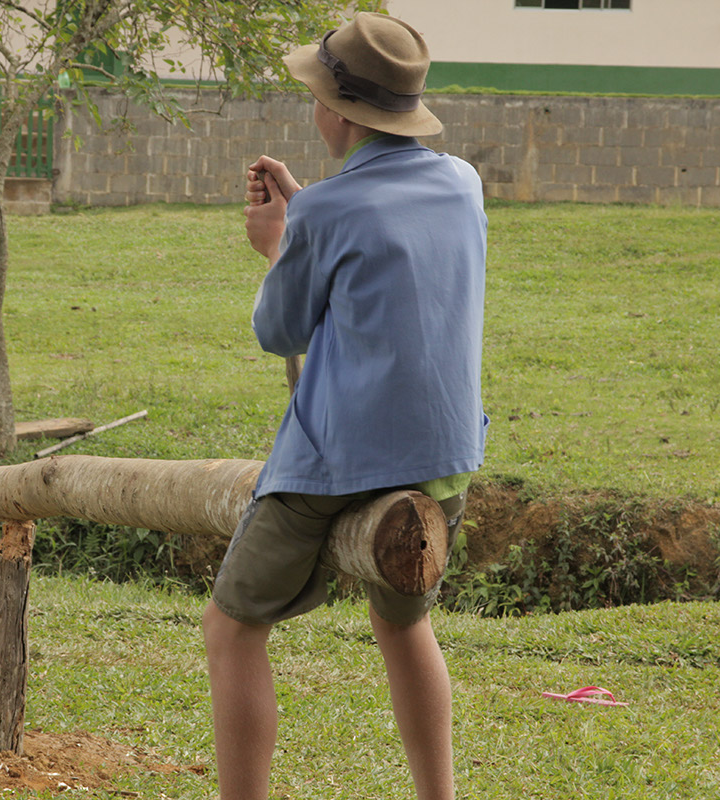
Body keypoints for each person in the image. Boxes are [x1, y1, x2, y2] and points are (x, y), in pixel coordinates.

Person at [203, 13, 487, 800]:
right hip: (444, 455)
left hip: (340, 459)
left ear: (339, 111)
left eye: (315, 95)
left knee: (230, 628)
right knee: (404, 623)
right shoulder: (463, 183)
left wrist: (279, 244)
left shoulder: (325, 212)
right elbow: (385, 261)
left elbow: (280, 329)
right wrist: (306, 222)